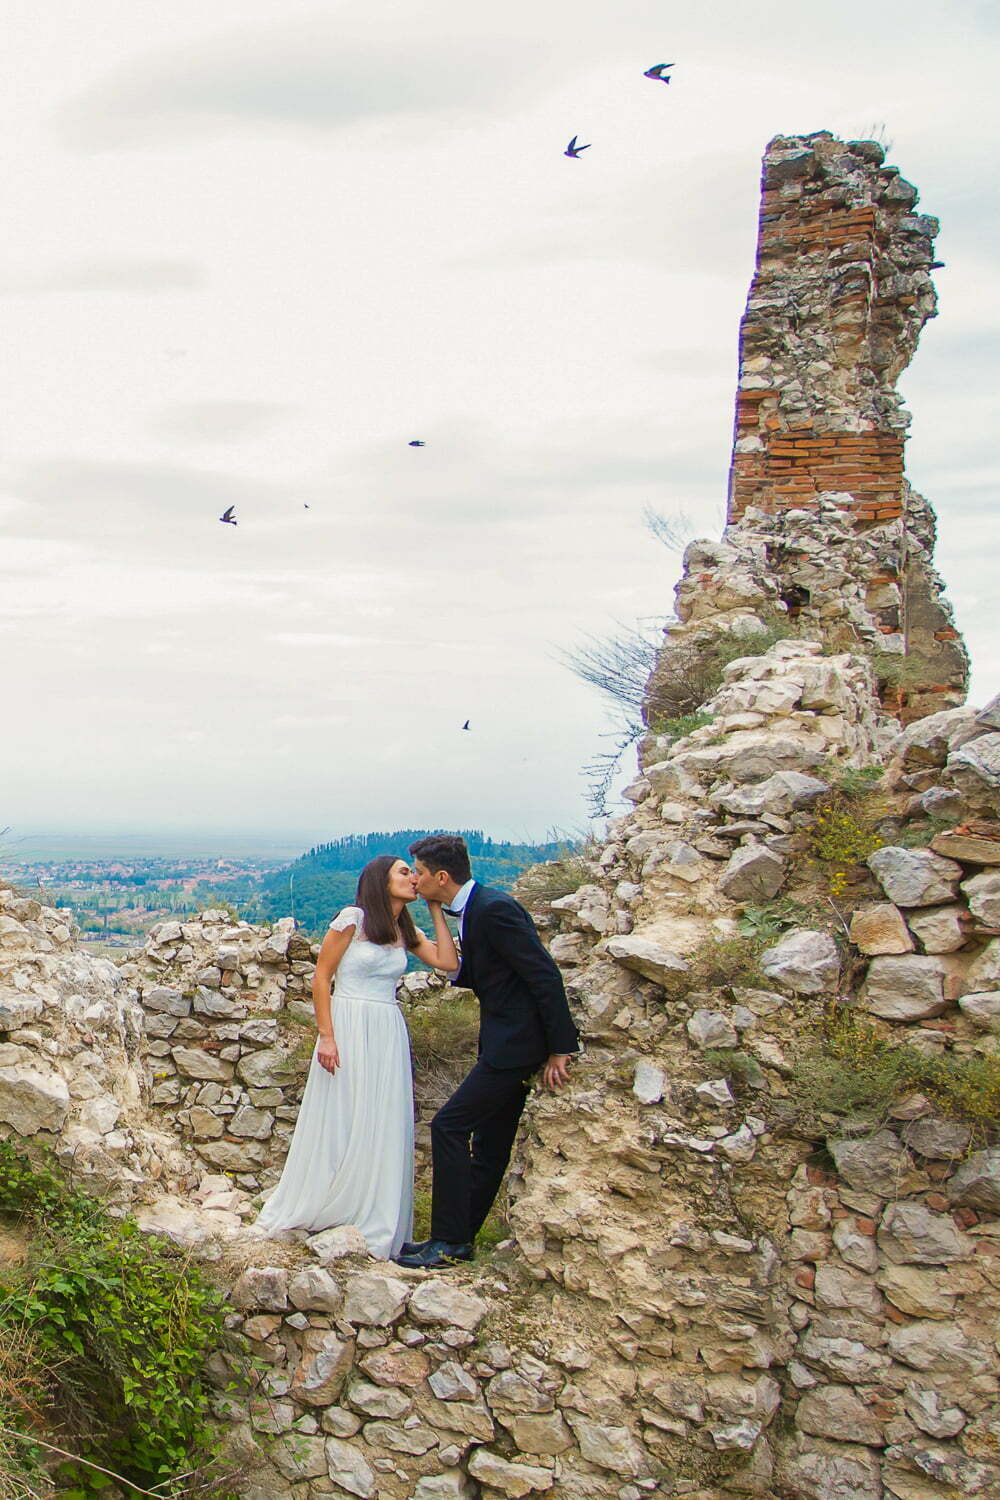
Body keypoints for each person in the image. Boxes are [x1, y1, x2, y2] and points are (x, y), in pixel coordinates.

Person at [254, 854, 458, 1258]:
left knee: (380, 1117)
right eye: (405, 872)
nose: (413, 879)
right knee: (343, 1112)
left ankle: (371, 1214)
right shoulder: (354, 918)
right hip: (348, 1022)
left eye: (414, 873)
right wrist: (326, 1037)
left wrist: (436, 909)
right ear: (381, 881)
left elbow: (449, 963)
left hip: (385, 1028)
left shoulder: (405, 928)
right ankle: (325, 1201)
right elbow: (321, 977)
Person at [394, 834, 578, 1269]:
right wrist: (436, 913)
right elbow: (472, 974)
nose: (416, 881)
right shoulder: (475, 910)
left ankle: (447, 1238)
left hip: (515, 1046)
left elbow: (544, 976)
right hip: (505, 1041)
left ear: (441, 876)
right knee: (491, 1144)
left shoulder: (493, 909)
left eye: (418, 872)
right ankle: (458, 1241)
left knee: (449, 1127)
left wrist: (560, 1048)